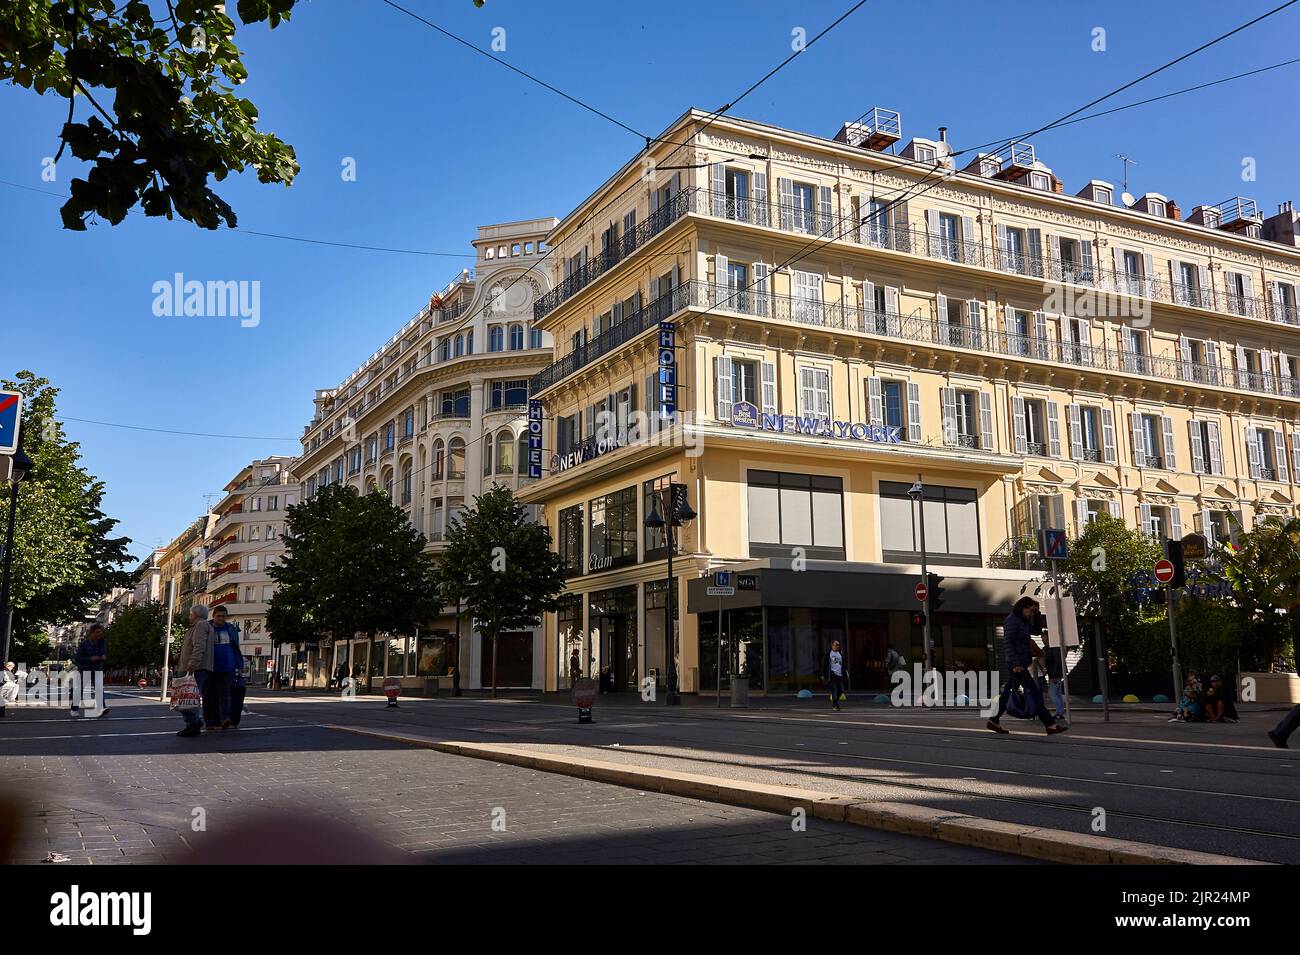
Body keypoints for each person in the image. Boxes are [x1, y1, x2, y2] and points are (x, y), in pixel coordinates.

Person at [987, 597, 1067, 735]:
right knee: (1035, 693)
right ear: (1023, 607)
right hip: (1017, 664)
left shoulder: (1022, 621)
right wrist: (1016, 663)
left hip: (1022, 662)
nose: (1030, 614)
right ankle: (1050, 724)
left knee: (1006, 694)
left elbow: (1036, 630)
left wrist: (1037, 614)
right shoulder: (1012, 620)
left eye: (1032, 612)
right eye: (1030, 611)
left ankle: (993, 720)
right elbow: (1008, 643)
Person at [176, 605, 215, 737]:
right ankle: (192, 724)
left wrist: (192, 663)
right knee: (188, 697)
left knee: (185, 697)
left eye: (191, 613)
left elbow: (199, 646)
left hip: (194, 668)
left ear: (196, 614)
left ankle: (193, 722)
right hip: (195, 667)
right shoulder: (200, 626)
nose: (189, 616)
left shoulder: (201, 625)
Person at [205, 605, 243, 730]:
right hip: (210, 666)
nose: (221, 618)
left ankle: (225, 718)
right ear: (213, 616)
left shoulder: (230, 628)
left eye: (223, 616)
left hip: (228, 666)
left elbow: (236, 647)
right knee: (209, 694)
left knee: (225, 693)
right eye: (219, 616)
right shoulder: (207, 627)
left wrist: (238, 665)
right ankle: (211, 720)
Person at [71, 624, 108, 717]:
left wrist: (103, 655)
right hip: (85, 669)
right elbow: (77, 658)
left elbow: (103, 651)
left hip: (97, 668)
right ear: (92, 633)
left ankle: (101, 708)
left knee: (99, 689)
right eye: (98, 632)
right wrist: (90, 659)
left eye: (101, 632)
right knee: (80, 690)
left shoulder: (102, 642)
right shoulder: (84, 644)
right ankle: (74, 709)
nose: (100, 634)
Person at [1043, 644, 1066, 723]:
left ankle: (1060, 712)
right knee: (1057, 693)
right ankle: (1060, 712)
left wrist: (1054, 675)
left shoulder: (1054, 648)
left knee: (1053, 693)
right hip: (1055, 674)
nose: (1042, 640)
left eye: (1044, 637)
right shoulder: (1050, 648)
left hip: (1055, 675)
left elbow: (1057, 662)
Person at [823, 639, 847, 711]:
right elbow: (824, 665)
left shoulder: (840, 654)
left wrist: (845, 673)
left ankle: (835, 702)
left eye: (838, 645)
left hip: (840, 674)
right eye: (836, 645)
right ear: (832, 645)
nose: (837, 646)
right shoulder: (828, 654)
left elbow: (843, 665)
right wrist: (823, 674)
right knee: (834, 690)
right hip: (832, 674)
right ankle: (835, 705)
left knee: (841, 690)